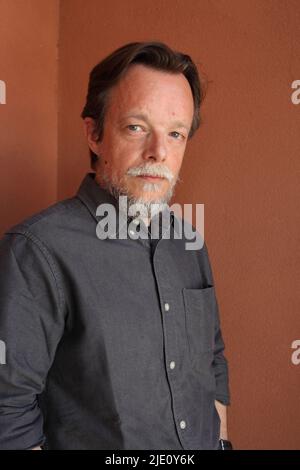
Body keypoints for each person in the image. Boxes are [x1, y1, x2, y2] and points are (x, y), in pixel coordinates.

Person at [0, 41, 231, 450]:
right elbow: (7, 409)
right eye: (136, 127)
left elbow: (211, 364)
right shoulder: (36, 251)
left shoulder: (190, 242)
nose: (159, 152)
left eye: (175, 134)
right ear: (93, 133)